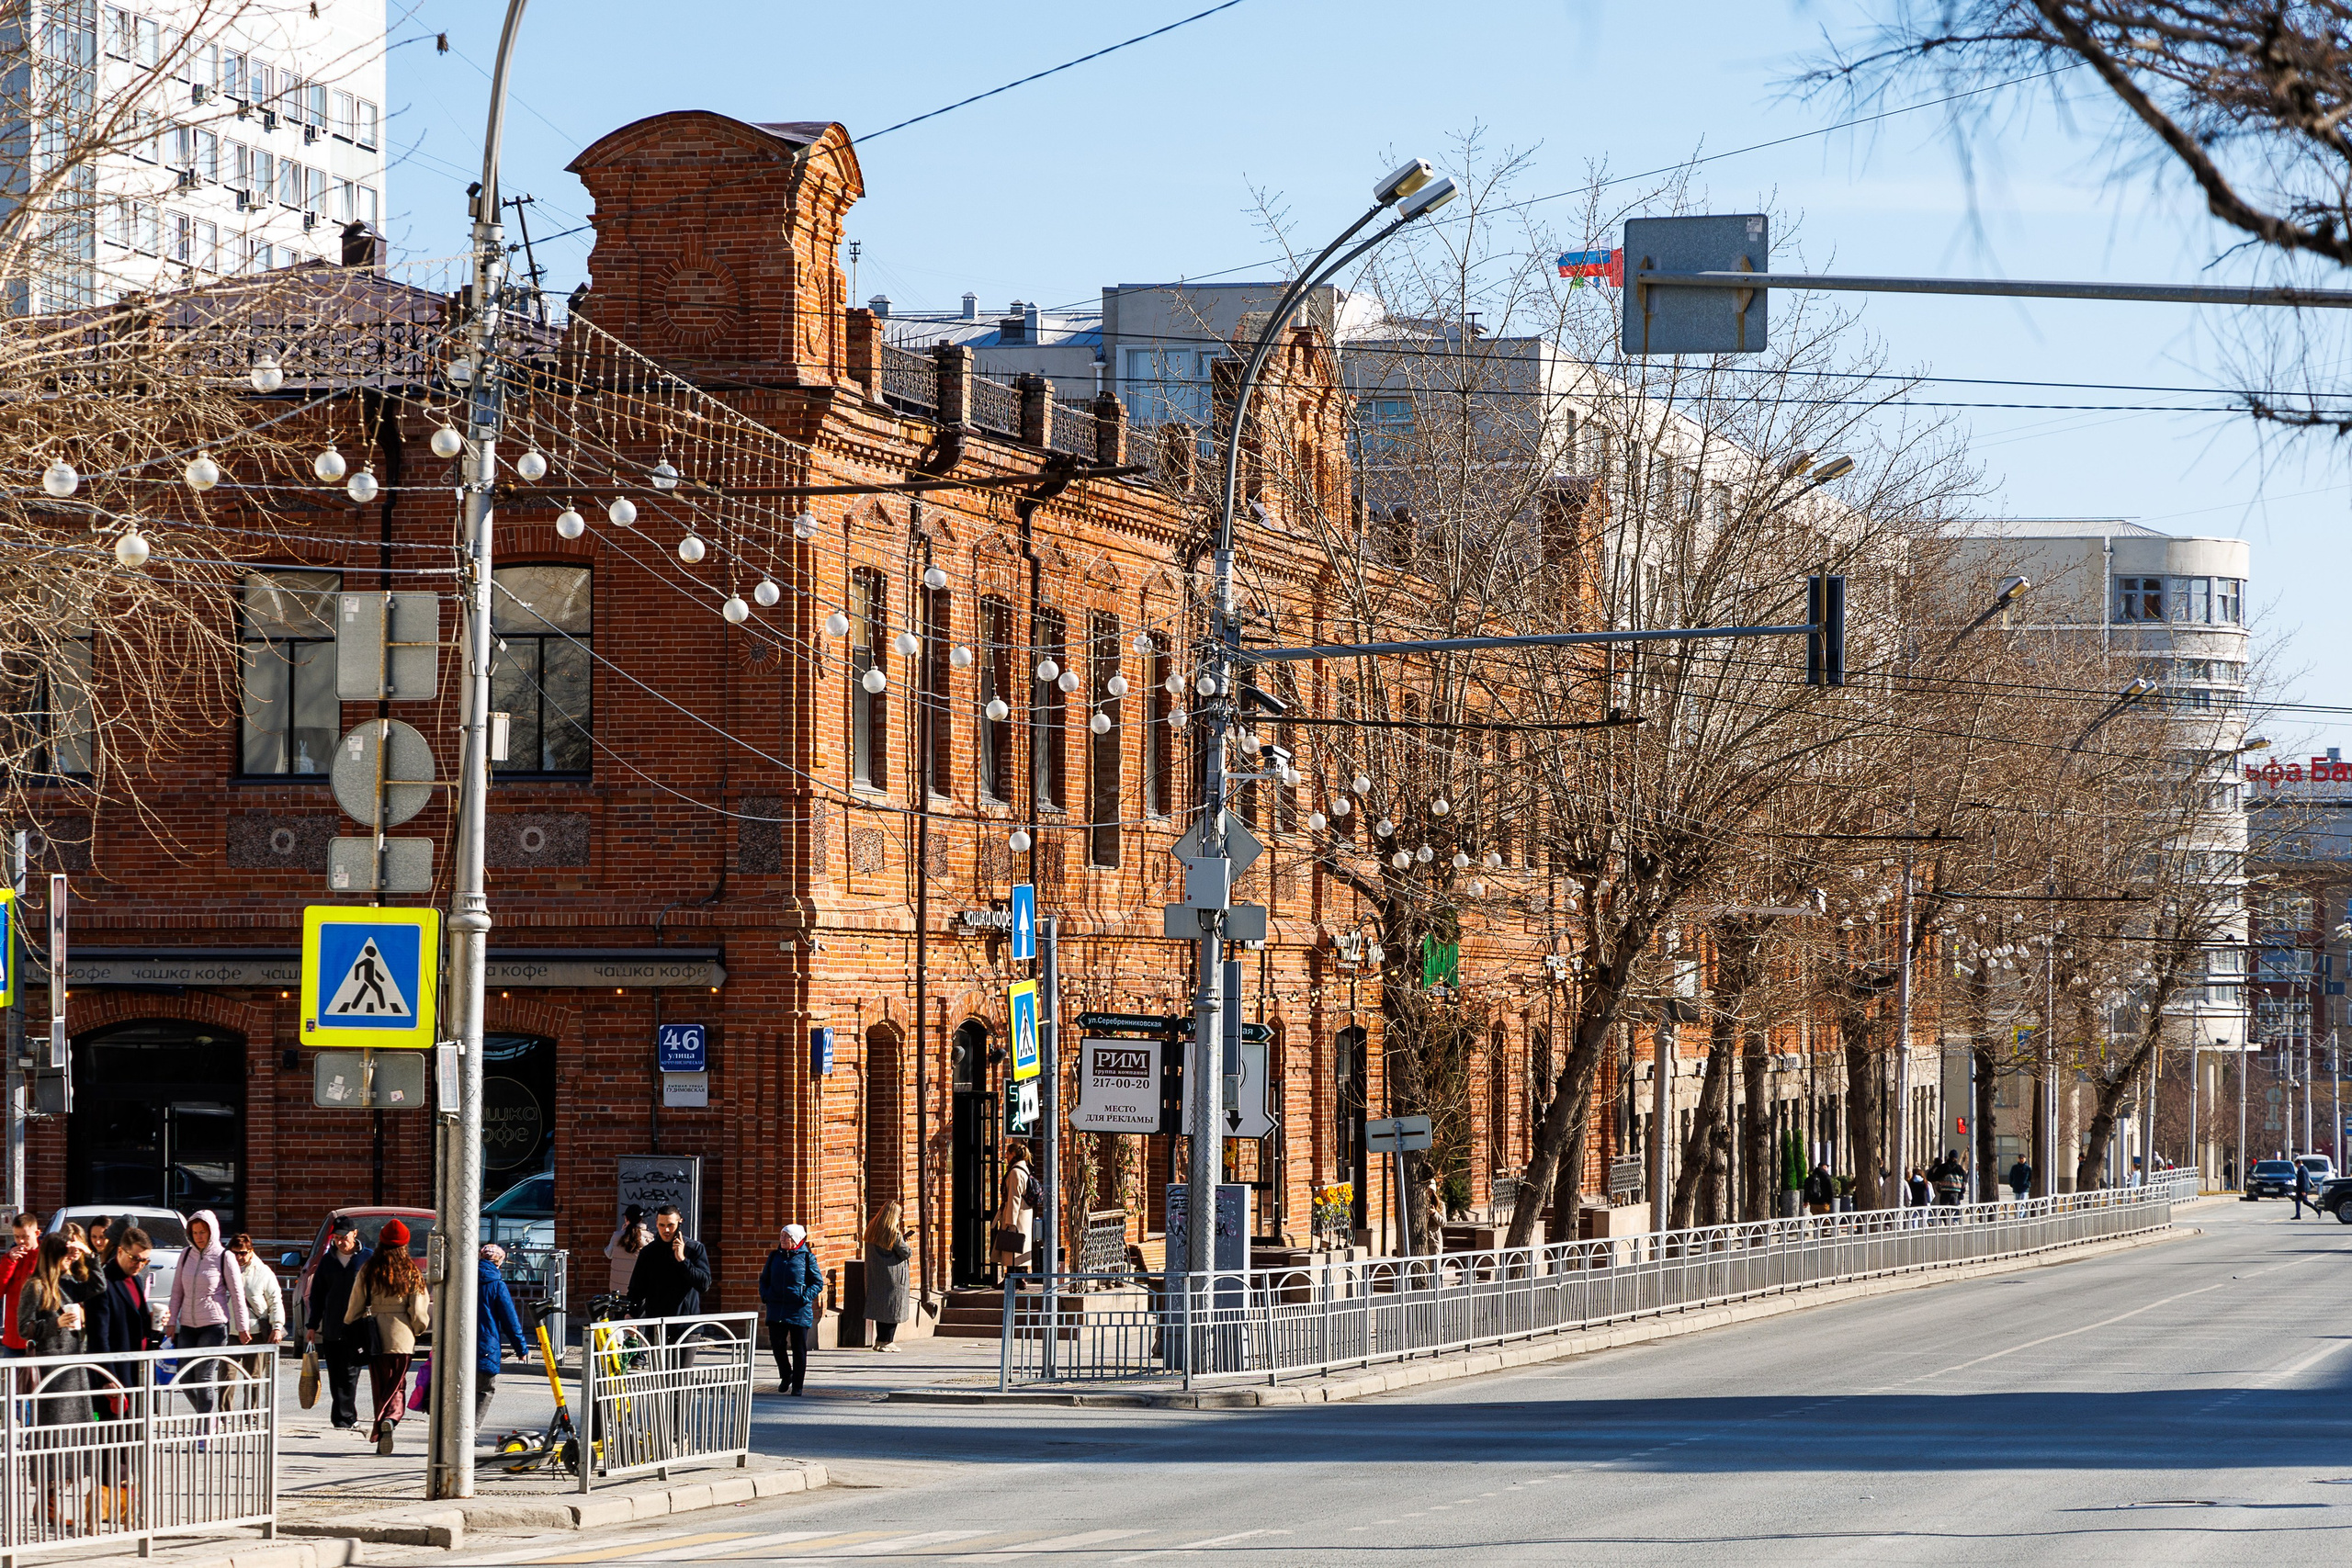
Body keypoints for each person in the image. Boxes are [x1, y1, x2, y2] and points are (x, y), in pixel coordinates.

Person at [17, 1235, 102, 1522]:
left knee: (73, 1438)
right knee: (52, 1440)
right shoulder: (36, 1285)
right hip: (52, 1372)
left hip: (73, 1368)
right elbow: (23, 1328)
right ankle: (48, 1508)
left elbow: (98, 1286)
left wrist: (88, 1254)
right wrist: (55, 1323)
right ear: (52, 1256)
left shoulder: (67, 1283)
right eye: (66, 1256)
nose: (70, 1260)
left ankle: (53, 1508)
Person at [343, 1218, 429, 1454]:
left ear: (381, 1242)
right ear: (405, 1245)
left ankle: (381, 1428)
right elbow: (419, 1312)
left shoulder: (369, 1269)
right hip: (402, 1337)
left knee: (380, 1386)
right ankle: (391, 1419)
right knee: (397, 1385)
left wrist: (349, 1324)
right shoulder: (412, 1271)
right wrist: (417, 1329)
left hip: (374, 1337)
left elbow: (355, 1304)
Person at [166, 1210, 251, 1416]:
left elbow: (238, 1294)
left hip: (214, 1325)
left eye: (203, 1232)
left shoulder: (225, 1257)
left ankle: (205, 1427)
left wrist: (242, 1327)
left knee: (203, 1376)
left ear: (212, 1231)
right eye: (195, 1233)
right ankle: (208, 1415)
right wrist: (170, 1322)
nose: (199, 1237)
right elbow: (177, 1291)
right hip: (187, 1325)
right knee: (185, 1377)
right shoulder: (186, 1255)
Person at [304, 1218, 368, 1431]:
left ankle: (345, 1416)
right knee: (335, 1373)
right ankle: (342, 1417)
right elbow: (317, 1295)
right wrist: (312, 1325)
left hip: (357, 1325)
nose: (341, 1242)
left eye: (345, 1237)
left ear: (355, 1233)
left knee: (350, 1372)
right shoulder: (328, 1261)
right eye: (337, 1238)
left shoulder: (367, 1258)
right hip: (332, 1324)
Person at [89, 1225, 161, 1417]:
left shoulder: (136, 1279)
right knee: (115, 1439)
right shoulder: (104, 1283)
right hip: (118, 1373)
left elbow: (135, 1322)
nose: (139, 1264)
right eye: (135, 1258)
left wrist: (151, 1321)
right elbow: (98, 1336)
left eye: (145, 1260)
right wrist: (107, 1376)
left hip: (139, 1369)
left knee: (138, 1436)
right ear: (120, 1251)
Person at [759, 1224, 821, 1393]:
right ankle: (786, 1374)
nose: (783, 1239)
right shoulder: (774, 1257)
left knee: (798, 1348)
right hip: (776, 1307)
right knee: (777, 1345)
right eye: (782, 1235)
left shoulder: (807, 1258)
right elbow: (764, 1280)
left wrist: (804, 1297)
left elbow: (817, 1283)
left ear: (796, 1239)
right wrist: (766, 1295)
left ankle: (798, 1386)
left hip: (798, 1309)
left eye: (787, 1236)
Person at [474, 1244, 531, 1428]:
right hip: (485, 1347)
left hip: (458, 1347)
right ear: (499, 1263)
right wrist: (521, 1349)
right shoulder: (497, 1285)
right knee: (483, 1391)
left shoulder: (463, 1280)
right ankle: (470, 1432)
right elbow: (510, 1321)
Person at [228, 1233, 286, 1409]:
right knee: (226, 1376)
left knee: (253, 1376)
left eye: (243, 1253)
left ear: (251, 1251)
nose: (239, 1257)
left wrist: (277, 1327)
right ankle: (224, 1414)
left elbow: (275, 1300)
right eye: (234, 1253)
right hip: (231, 1330)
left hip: (255, 1331)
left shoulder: (263, 1272)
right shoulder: (224, 1269)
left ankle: (251, 1413)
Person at [628, 1204, 713, 1319]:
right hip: (656, 1323)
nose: (666, 1230)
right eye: (662, 1225)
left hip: (686, 1325)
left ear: (679, 1222)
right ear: (657, 1223)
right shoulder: (649, 1252)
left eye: (670, 1225)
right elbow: (637, 1288)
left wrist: (682, 1260)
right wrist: (632, 1314)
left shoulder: (694, 1248)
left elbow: (704, 1284)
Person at [864, 1202, 911, 1351]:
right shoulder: (893, 1233)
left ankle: (879, 1341)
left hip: (876, 1275)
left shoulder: (872, 1229)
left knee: (881, 1308)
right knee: (893, 1308)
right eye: (899, 1215)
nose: (900, 1217)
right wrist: (904, 1241)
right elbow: (906, 1252)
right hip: (894, 1276)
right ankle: (887, 1342)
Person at [993, 1139, 1035, 1278]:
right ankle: (1019, 1278)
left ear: (1013, 1154)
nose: (1006, 1157)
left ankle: (1012, 1280)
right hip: (1023, 1215)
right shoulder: (1023, 1169)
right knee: (1018, 1249)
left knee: (1011, 1250)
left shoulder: (1015, 1172)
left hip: (1016, 1217)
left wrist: (1010, 1222)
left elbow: (1014, 1197)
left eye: (1007, 1154)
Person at [0, 1212, 40, 1357]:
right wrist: (10, 1262)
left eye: (25, 1237)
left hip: (37, 1336)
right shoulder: (10, 1258)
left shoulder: (44, 1256)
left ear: (37, 1233)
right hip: (13, 1337)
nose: (21, 1242)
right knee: (11, 1379)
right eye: (17, 1237)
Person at [605, 1206, 652, 1300]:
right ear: (641, 1219)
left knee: (619, 1314)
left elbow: (609, 1254)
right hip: (638, 1287)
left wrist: (622, 1231)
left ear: (626, 1218)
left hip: (617, 1288)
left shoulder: (616, 1236)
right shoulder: (649, 1238)